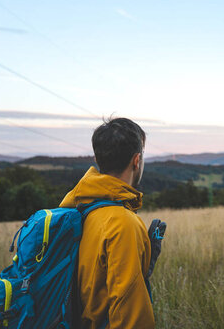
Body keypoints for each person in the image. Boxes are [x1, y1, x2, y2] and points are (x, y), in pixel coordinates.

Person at [59, 117, 157, 329]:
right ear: (136, 160)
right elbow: (130, 317)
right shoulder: (123, 224)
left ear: (97, 158)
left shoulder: (75, 208)